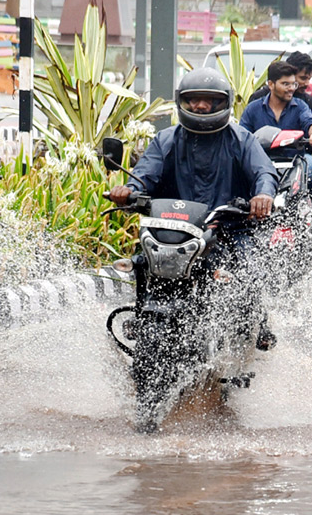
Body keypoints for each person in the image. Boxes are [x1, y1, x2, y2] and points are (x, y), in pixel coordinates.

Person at [109, 69, 279, 348]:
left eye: (208, 100)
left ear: (223, 103)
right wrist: (128, 191)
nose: (200, 106)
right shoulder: (166, 140)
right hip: (175, 229)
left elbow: (264, 172)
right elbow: (145, 174)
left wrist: (262, 195)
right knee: (141, 263)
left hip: (228, 228)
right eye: (193, 100)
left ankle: (256, 324)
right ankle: (142, 315)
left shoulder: (241, 139)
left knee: (248, 268)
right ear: (181, 102)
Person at [240, 60, 312, 208]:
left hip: (295, 160)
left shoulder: (300, 106)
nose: (291, 88)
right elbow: (242, 138)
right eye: (286, 84)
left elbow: (310, 123)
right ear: (271, 84)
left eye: (293, 84)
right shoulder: (253, 109)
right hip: (262, 162)